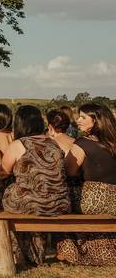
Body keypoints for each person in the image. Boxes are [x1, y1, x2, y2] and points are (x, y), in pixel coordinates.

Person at [0, 104, 70, 265]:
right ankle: (36, 252)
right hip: (59, 203)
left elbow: (5, 170)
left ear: (19, 124)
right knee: (29, 198)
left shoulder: (19, 144)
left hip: (30, 203)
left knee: (9, 194)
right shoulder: (54, 143)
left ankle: (24, 252)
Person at [58, 102, 116, 265]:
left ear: (96, 120)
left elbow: (69, 171)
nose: (78, 120)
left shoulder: (83, 143)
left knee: (60, 201)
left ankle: (70, 250)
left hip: (94, 200)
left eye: (83, 117)